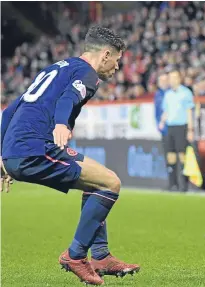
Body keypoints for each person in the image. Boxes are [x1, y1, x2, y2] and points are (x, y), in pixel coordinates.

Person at [0, 26, 140, 285]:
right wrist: (61, 124)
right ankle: (75, 256)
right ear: (106, 55)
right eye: (118, 61)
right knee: (111, 183)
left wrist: (1, 157)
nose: (117, 68)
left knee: (96, 182)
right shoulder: (88, 74)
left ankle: (100, 255)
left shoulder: (55, 69)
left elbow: (9, 111)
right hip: (35, 149)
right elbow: (67, 99)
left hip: (16, 151)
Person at [159, 69, 195, 191]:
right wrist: (162, 122)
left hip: (182, 126)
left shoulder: (186, 93)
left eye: (174, 77)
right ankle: (173, 184)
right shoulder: (168, 94)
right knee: (170, 156)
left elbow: (189, 111)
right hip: (170, 126)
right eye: (170, 78)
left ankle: (184, 185)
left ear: (179, 79)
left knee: (182, 155)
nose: (172, 80)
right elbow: (166, 110)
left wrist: (190, 129)